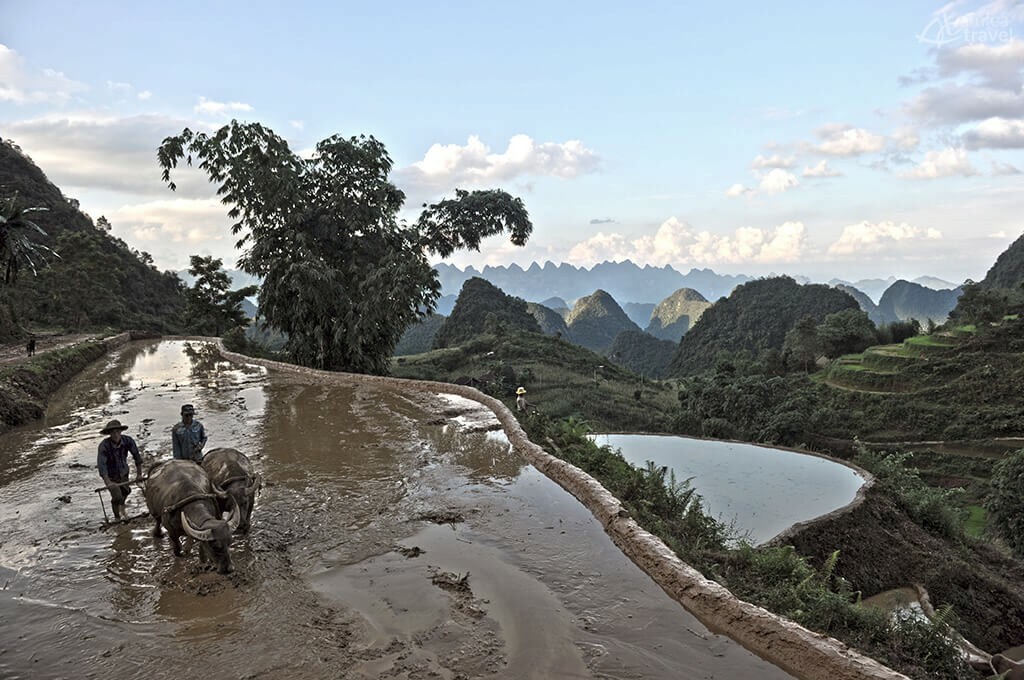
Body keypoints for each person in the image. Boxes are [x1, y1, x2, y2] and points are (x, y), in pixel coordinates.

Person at [97, 419, 143, 522]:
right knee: (117, 496)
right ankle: (117, 517)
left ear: (121, 432)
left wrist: (139, 474)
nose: (116, 435)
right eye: (113, 432)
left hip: (124, 472)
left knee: (126, 491)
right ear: (109, 434)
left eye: (117, 432)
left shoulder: (128, 441)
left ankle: (122, 507)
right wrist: (108, 482)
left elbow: (137, 456)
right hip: (111, 475)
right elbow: (102, 465)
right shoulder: (104, 446)